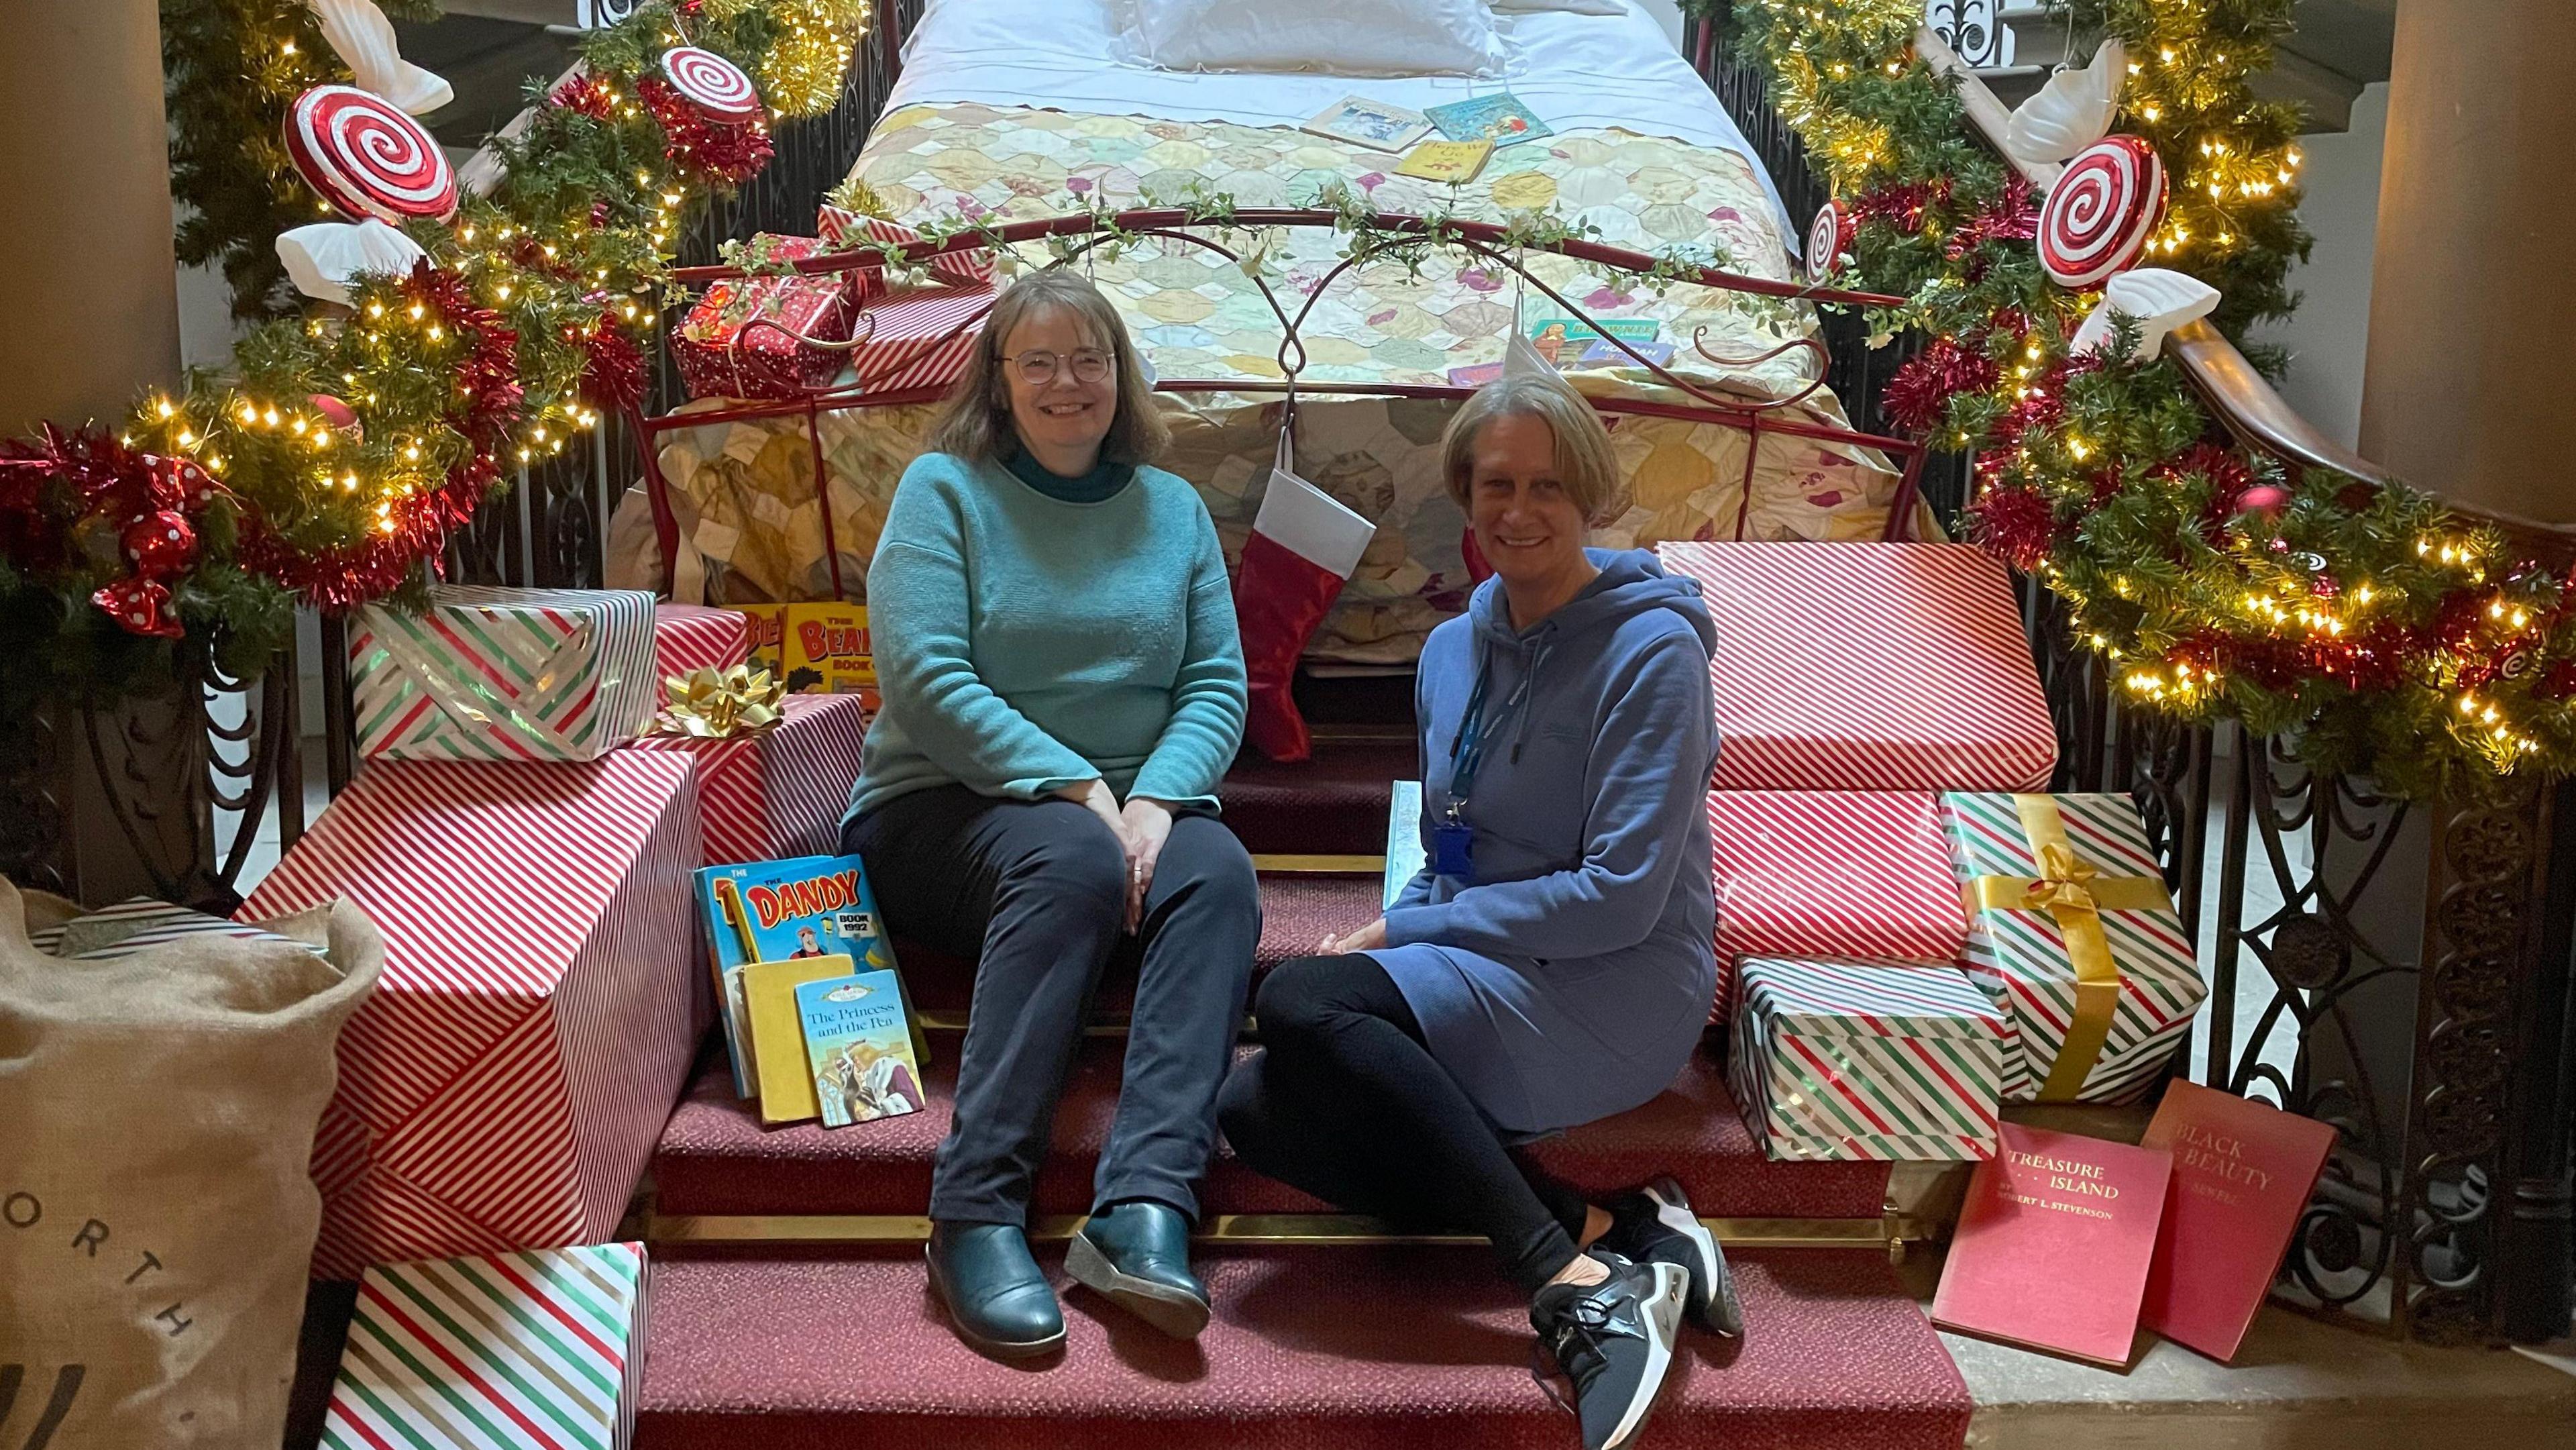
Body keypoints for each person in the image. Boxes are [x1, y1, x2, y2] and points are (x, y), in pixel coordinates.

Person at [1218, 376, 1735, 1450]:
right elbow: (1449, 844)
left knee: (1307, 1001)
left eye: (1549, 484)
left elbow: (1620, 898)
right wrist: (1405, 915)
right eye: (1497, 482)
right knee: (1254, 1112)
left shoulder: (1656, 651)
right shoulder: (1453, 647)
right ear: (1464, 490)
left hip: (1619, 980)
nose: (1520, 509)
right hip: (1500, 957)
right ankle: (1621, 1224)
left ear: (1588, 493)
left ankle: (1575, 1282)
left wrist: (1406, 935)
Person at [841, 268, 1256, 1358]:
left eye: (1090, 359)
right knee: (1072, 860)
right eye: (1039, 360)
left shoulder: (1171, 507)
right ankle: (972, 1212)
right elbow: (926, 680)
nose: (1067, 382)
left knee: (1220, 878)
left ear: (1121, 377)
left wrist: (1161, 802)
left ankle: (1144, 1209)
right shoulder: (945, 490)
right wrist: (1083, 789)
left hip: (1131, 807)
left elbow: (1217, 681)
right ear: (998, 378)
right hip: (944, 805)